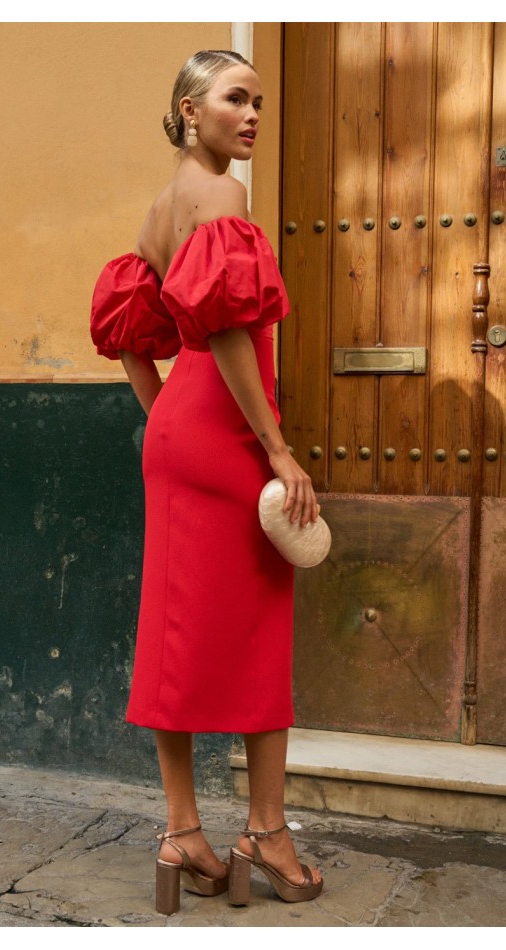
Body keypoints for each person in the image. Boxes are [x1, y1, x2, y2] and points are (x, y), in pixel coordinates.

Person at [90, 49, 323, 915]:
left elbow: (124, 328)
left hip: (181, 432)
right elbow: (227, 331)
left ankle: (183, 831)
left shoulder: (164, 205)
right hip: (225, 432)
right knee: (260, 628)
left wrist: (162, 418)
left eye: (259, 100)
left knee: (177, 625)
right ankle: (267, 834)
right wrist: (276, 449)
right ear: (191, 110)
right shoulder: (222, 195)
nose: (253, 114)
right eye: (236, 99)